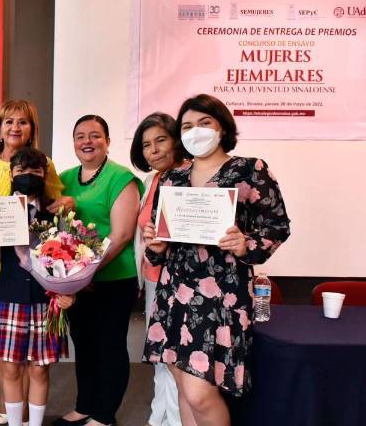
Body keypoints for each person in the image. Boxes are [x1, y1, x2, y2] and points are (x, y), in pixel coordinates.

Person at [142, 94, 291, 426]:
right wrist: (155, 245)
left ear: (222, 127)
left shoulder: (249, 169)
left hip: (221, 294)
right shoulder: (173, 178)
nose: (196, 131)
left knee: (200, 393)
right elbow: (157, 244)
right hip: (174, 291)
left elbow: (278, 225)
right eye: (187, 126)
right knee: (183, 387)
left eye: (204, 122)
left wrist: (246, 244)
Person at [0, 99, 73, 425]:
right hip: (2, 279)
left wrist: (66, 206)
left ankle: (29, 417)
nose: (15, 127)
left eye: (23, 121)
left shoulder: (50, 196)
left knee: (38, 367)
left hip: (43, 292)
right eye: (9, 121)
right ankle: (9, 411)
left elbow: (66, 243)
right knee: (9, 360)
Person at [55, 115, 142, 426]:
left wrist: (85, 272)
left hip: (114, 278)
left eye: (94, 135)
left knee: (109, 346)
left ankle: (105, 414)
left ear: (107, 141)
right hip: (77, 282)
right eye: (80, 136)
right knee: (84, 342)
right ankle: (85, 405)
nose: (87, 141)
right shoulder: (64, 178)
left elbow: (122, 235)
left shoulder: (121, 178)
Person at [130, 113, 190, 426]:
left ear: (176, 140)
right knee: (160, 357)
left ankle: (177, 420)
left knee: (179, 358)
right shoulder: (150, 180)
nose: (153, 150)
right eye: (146, 145)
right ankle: (160, 418)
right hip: (154, 278)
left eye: (161, 140)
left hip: (183, 284)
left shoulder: (191, 177)